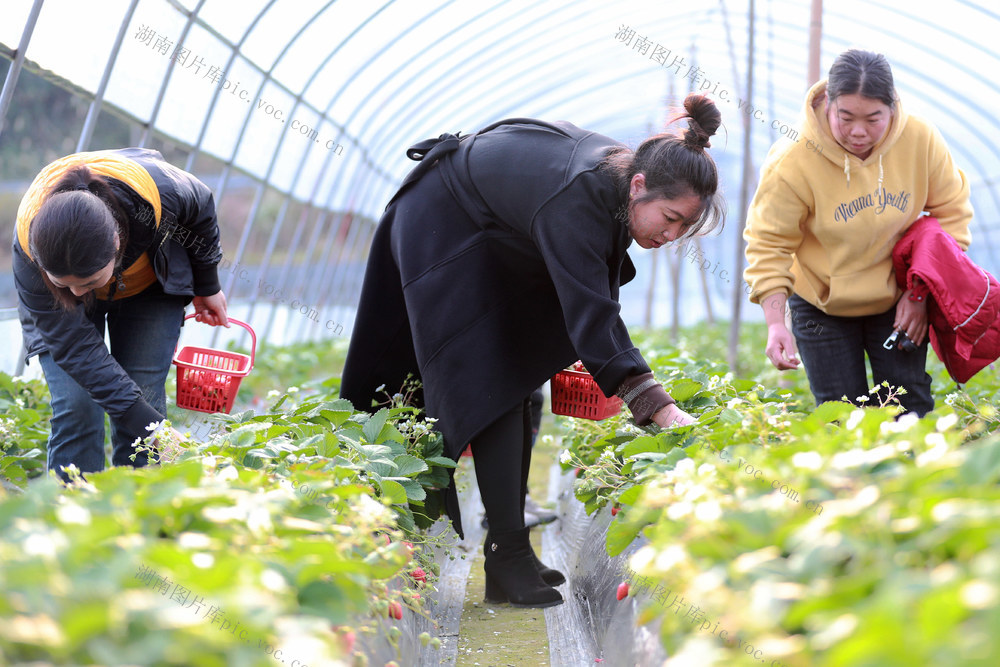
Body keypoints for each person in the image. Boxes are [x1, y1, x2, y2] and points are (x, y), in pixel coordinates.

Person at [341, 94, 725, 608]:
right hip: (443, 222)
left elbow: (584, 295)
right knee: (493, 381)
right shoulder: (579, 193)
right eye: (671, 218)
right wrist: (658, 406)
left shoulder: (619, 178)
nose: (671, 235)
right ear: (638, 187)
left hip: (494, 232)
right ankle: (505, 555)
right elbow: (594, 314)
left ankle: (510, 553)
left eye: (683, 228)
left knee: (517, 376)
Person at [743, 49, 972, 416]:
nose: (858, 131)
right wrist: (775, 323)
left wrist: (919, 294)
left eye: (873, 118)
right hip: (821, 305)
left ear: (892, 108)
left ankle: (912, 472)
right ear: (829, 104)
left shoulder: (920, 138)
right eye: (845, 117)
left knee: (907, 403)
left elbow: (952, 213)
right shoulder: (793, 160)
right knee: (840, 412)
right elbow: (768, 243)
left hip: (898, 298)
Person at [13, 148, 228, 481]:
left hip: (148, 289)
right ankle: (75, 514)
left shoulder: (158, 192)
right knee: (77, 403)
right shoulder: (31, 251)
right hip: (61, 313)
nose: (78, 294)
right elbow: (77, 351)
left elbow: (200, 205)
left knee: (143, 391)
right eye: (64, 284)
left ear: (117, 242)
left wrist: (207, 284)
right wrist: (156, 429)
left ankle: (143, 511)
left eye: (88, 282)